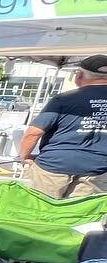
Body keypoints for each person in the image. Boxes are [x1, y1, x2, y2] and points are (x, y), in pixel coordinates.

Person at [20, 55, 107, 198]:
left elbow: (33, 133)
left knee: (36, 210)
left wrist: (25, 156)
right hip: (97, 170)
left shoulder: (65, 99)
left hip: (53, 166)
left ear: (79, 75)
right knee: (76, 216)